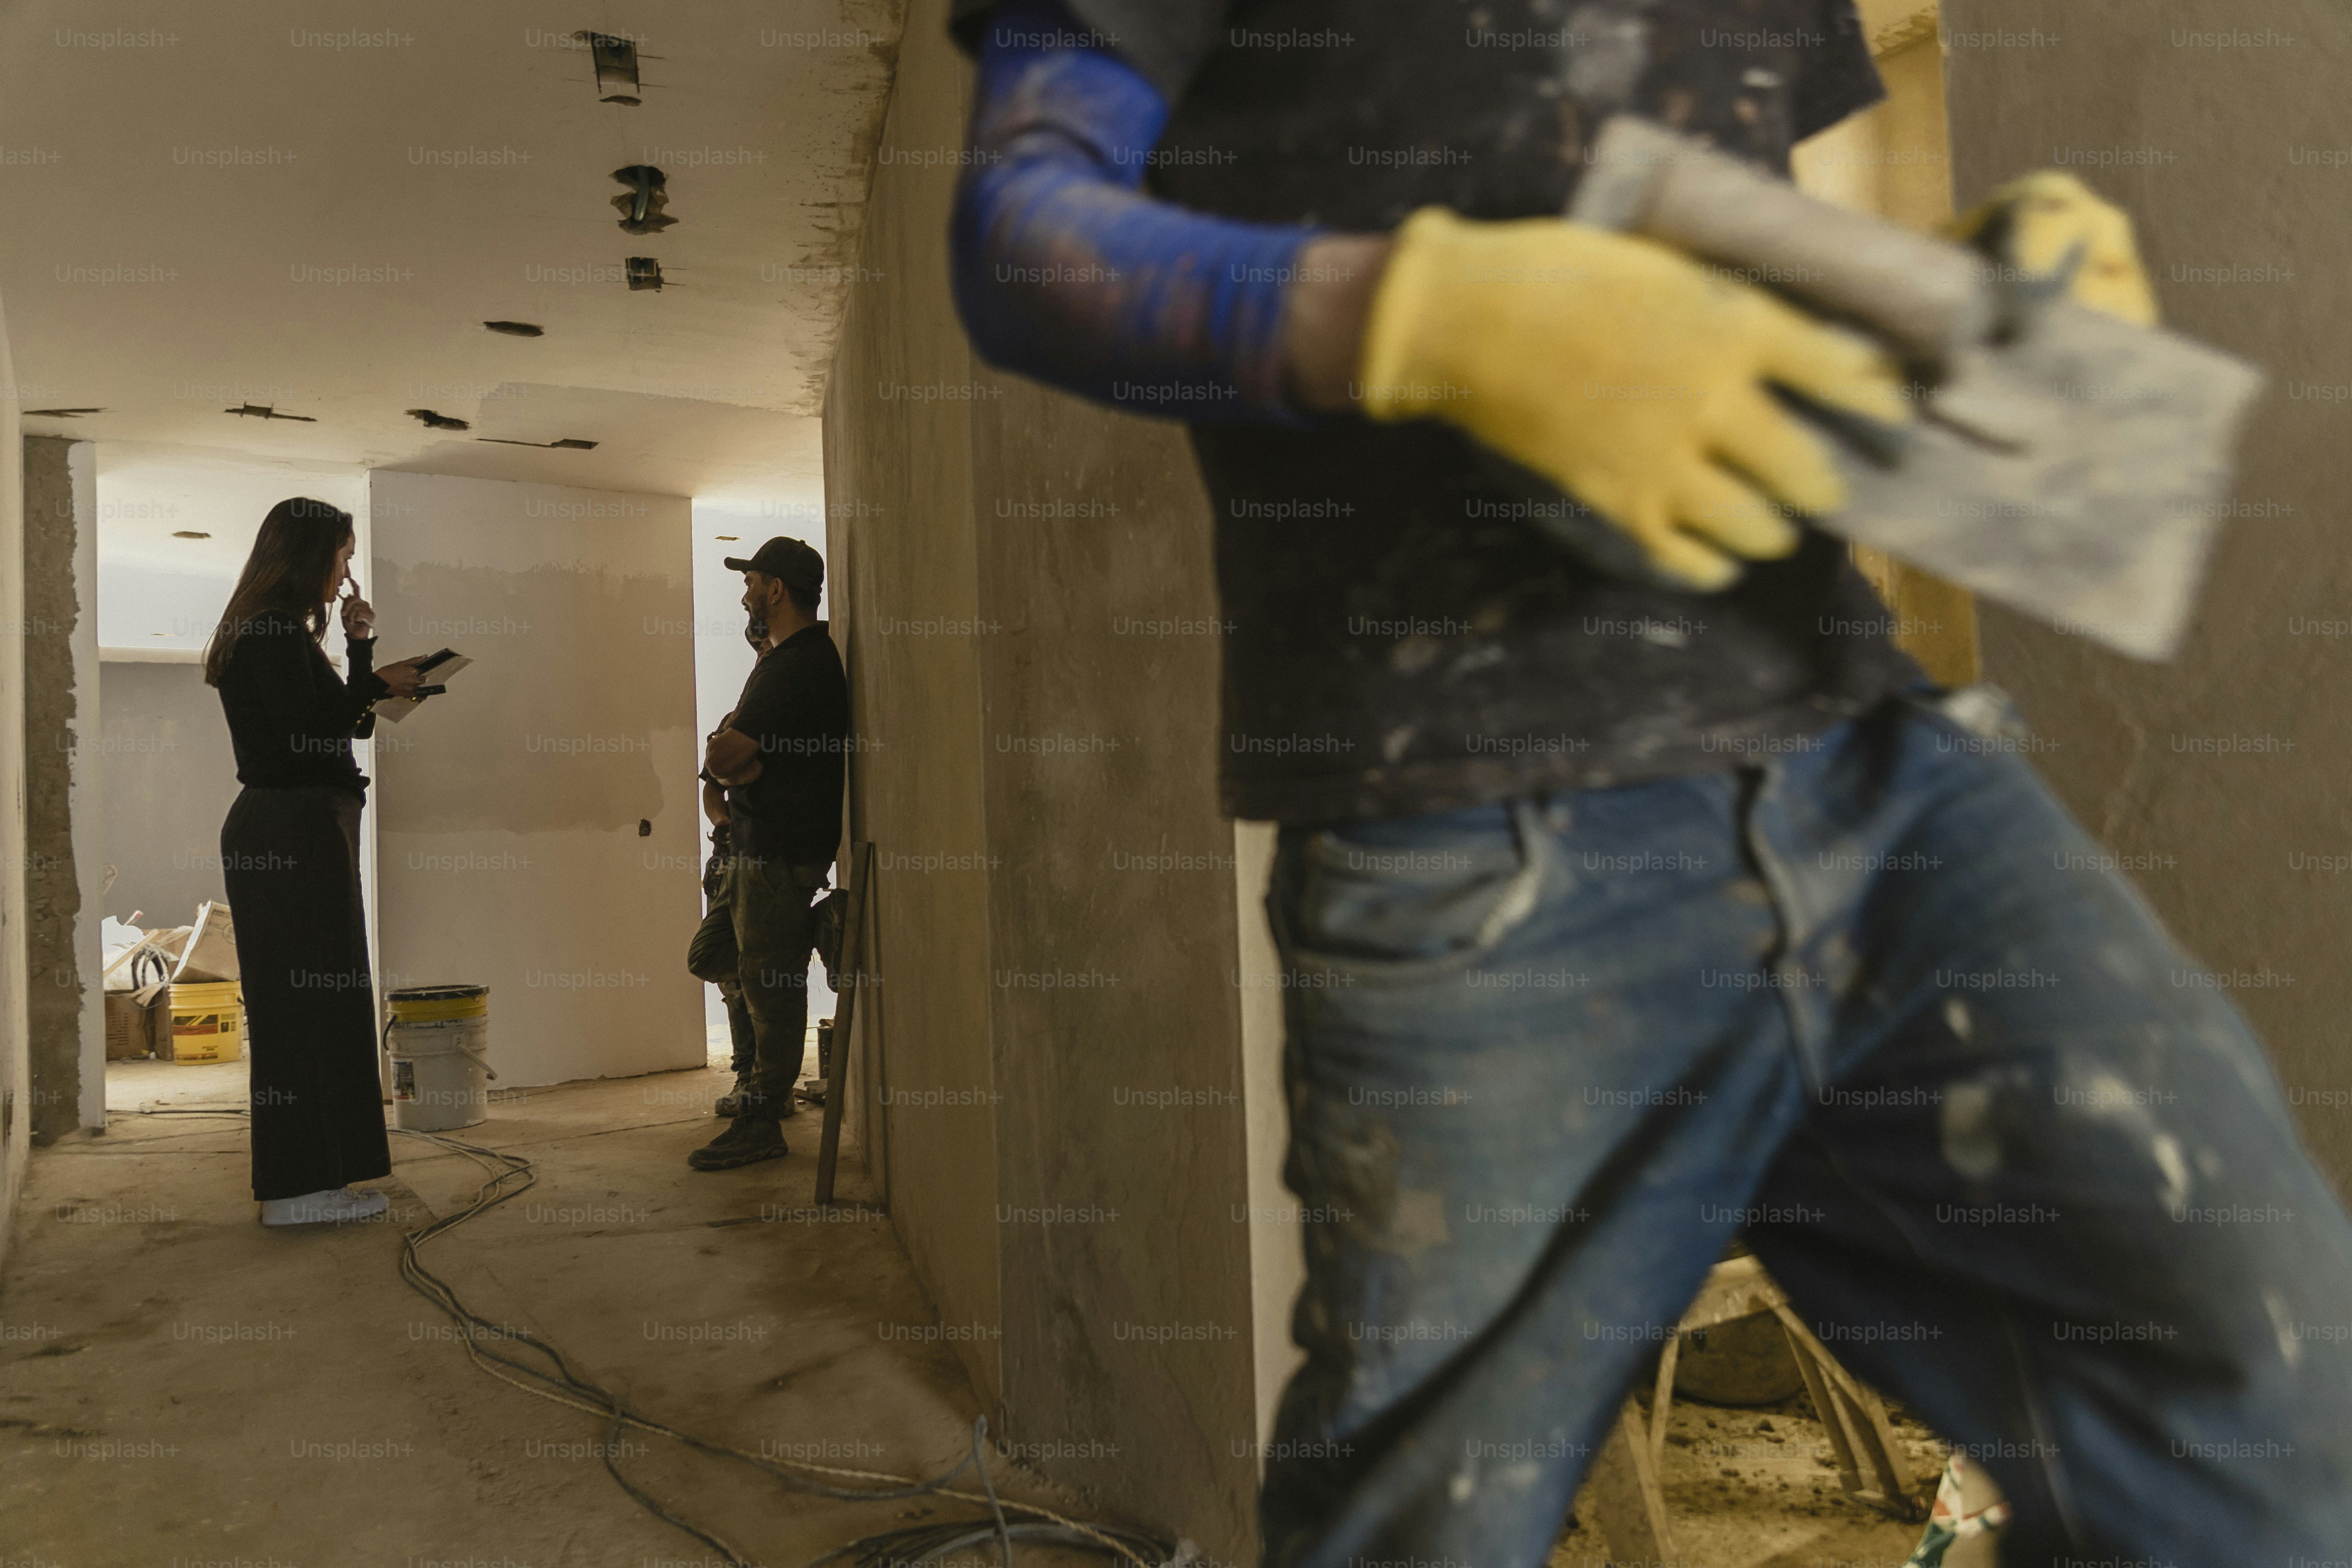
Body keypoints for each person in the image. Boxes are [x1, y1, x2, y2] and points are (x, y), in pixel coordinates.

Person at [945, 4, 2352, 1564]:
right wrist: (1427, 318)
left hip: (1866, 757)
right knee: (1425, 1539)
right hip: (1472, 839)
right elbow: (1023, 242)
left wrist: (1957, 313)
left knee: (2270, 1428)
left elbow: (1753, 273)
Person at [204, 497, 426, 1227]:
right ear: (310, 555)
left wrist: (360, 653)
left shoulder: (278, 631)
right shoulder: (271, 632)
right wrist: (374, 679)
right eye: (342, 556)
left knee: (321, 1005)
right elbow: (307, 732)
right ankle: (296, 1190)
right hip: (290, 832)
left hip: (299, 828)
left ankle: (311, 1179)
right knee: (304, 1009)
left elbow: (346, 728)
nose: (346, 573)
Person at [685, 536, 848, 1170]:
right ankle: (808, 931)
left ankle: (762, 1120)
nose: (745, 595)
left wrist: (734, 759)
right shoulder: (782, 662)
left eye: (751, 582)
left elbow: (725, 753)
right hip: (754, 852)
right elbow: (721, 761)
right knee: (714, 956)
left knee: (772, 992)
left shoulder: (797, 665)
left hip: (778, 855)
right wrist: (731, 763)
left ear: (777, 590)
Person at [687, 617, 782, 1121]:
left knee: (767, 976)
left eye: (769, 648)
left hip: (769, 862)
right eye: (760, 650)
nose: (764, 658)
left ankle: (767, 1086)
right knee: (725, 972)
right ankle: (748, 1074)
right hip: (728, 861)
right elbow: (712, 784)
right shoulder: (738, 718)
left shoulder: (792, 715)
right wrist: (724, 823)